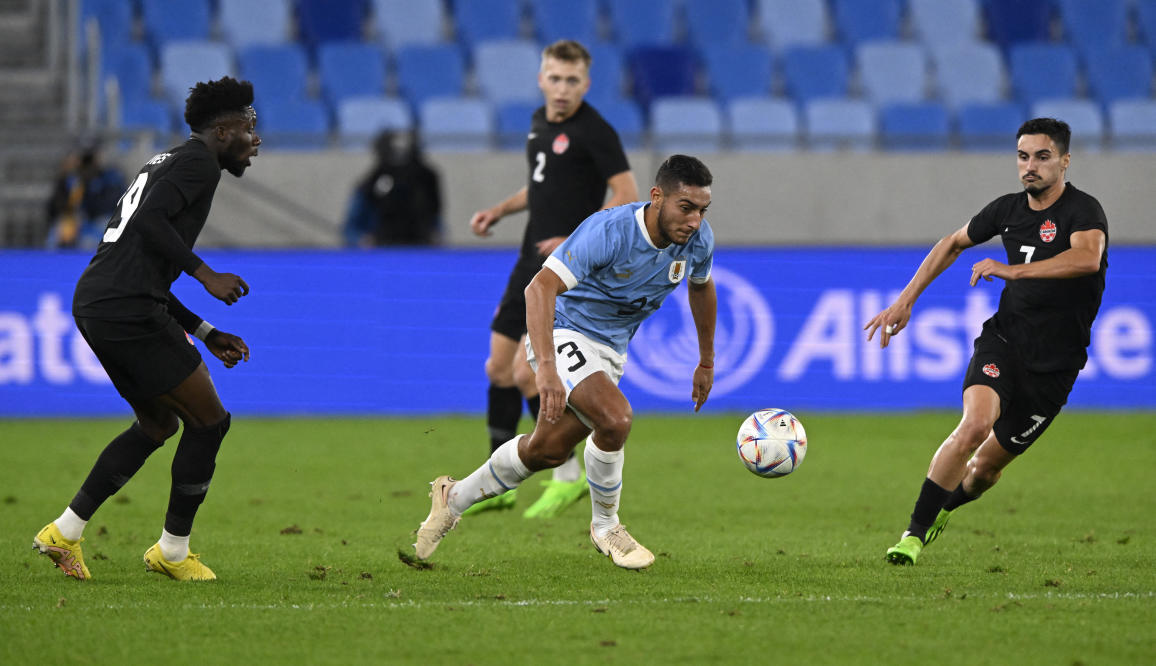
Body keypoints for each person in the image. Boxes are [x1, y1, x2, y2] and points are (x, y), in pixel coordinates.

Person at [410, 155, 716, 570]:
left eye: (702, 210)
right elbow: (539, 288)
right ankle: (606, 527)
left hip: (609, 350)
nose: (695, 220)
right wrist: (548, 370)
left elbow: (701, 287)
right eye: (686, 208)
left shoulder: (697, 242)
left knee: (546, 451)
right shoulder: (609, 230)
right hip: (563, 331)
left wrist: (706, 361)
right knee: (616, 419)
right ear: (657, 197)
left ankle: (453, 499)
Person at [32, 76, 261, 581]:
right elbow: (151, 224)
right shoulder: (200, 163)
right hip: (126, 307)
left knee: (159, 425)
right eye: (249, 126)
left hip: (103, 299)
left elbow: (145, 264)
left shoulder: (167, 160)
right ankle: (172, 553)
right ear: (222, 131)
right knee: (210, 422)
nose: (256, 138)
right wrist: (206, 275)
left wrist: (204, 331)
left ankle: (63, 532)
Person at [864, 118, 1108, 566]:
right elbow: (953, 242)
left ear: (1065, 161)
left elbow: (1086, 259)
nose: (1029, 166)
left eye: (1042, 156)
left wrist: (1014, 270)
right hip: (1005, 340)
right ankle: (912, 536)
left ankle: (946, 508)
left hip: (1055, 366)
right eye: (1022, 156)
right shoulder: (1007, 210)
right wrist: (906, 300)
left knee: (984, 472)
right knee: (974, 426)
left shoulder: (1083, 211)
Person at [467, 39, 638, 519]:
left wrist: (576, 241)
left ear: (586, 83)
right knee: (498, 369)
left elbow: (625, 195)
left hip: (568, 268)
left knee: (528, 370)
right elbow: (541, 184)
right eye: (555, 79)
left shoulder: (596, 131)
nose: (562, 89)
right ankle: (501, 483)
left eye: (572, 81)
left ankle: (565, 474)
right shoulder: (539, 123)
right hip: (529, 258)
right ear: (541, 79)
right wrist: (499, 210)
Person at [342, 129, 442, 247]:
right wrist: (362, 239)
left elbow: (435, 220)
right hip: (381, 249)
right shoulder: (369, 185)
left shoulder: (426, 180)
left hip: (419, 248)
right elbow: (350, 229)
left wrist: (436, 235)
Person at [44, 141, 127, 249]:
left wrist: (90, 180)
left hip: (100, 219)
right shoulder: (70, 178)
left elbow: (112, 203)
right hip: (76, 220)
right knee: (55, 236)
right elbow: (54, 207)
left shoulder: (110, 176)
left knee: (90, 239)